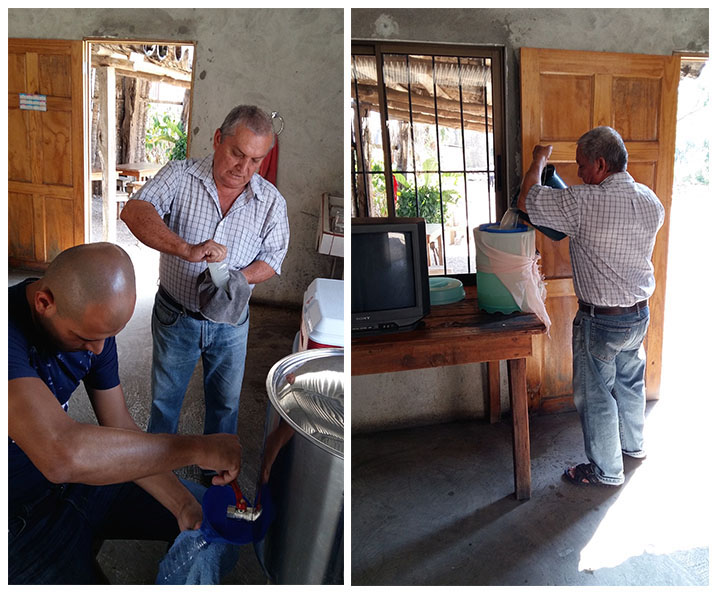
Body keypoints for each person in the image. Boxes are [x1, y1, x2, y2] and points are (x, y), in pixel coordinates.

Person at [8, 242, 242, 584]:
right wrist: (193, 448)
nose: (99, 349)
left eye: (108, 337)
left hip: (76, 485)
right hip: (17, 515)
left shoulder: (94, 327)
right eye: (86, 337)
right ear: (45, 303)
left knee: (214, 520)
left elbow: (118, 423)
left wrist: (181, 506)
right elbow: (60, 454)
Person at [120, 105, 289, 469]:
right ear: (217, 139)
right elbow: (134, 211)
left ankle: (215, 484)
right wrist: (187, 249)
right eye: (236, 153)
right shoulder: (181, 176)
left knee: (225, 407)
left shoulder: (271, 202)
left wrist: (236, 278)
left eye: (256, 160)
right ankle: (158, 483)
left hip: (231, 323)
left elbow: (273, 259)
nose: (243, 168)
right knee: (165, 404)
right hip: (176, 315)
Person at [516, 126, 665, 487]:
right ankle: (633, 447)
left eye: (582, 166)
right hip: (638, 315)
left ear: (600, 164)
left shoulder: (584, 202)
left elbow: (528, 200)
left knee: (596, 396)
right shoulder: (651, 201)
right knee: (630, 385)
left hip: (601, 322)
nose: (579, 174)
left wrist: (539, 158)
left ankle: (606, 471)